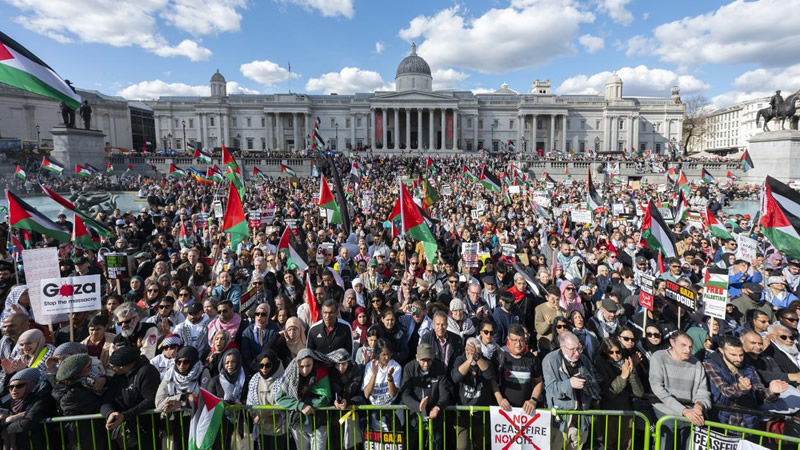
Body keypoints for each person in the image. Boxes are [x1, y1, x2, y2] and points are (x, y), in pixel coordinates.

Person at [703, 335, 786, 428]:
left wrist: (772, 391)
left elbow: (761, 395)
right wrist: (739, 388)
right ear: (721, 350)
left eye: (741, 355)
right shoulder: (710, 365)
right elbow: (725, 391)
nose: (739, 359)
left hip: (749, 424)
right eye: (733, 355)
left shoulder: (749, 369)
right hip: (721, 423)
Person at [649, 331, 712, 450]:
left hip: (691, 415)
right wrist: (683, 410)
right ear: (672, 343)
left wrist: (699, 406)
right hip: (665, 412)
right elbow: (658, 388)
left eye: (690, 347)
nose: (688, 350)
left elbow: (703, 390)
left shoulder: (697, 363)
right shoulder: (659, 357)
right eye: (683, 345)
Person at [542, 331, 600, 450]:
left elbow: (595, 387)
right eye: (572, 350)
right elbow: (551, 389)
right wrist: (570, 384)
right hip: (560, 422)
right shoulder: (551, 360)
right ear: (562, 347)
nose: (577, 353)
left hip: (581, 421)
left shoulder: (584, 359)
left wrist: (587, 387)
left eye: (579, 348)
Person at [100, 346, 161, 450]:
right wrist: (109, 413)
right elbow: (106, 400)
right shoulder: (117, 377)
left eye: (112, 367)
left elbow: (151, 399)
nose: (111, 369)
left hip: (146, 430)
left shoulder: (147, 371)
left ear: (122, 366)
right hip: (126, 433)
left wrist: (126, 415)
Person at [276, 349, 335, 450]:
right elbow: (280, 398)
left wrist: (305, 403)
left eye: (308, 366)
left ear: (313, 363)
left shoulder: (320, 372)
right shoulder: (291, 373)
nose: (305, 370)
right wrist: (300, 406)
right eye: (301, 366)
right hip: (298, 422)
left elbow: (325, 398)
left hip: (318, 422)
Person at [594, 337, 645, 450]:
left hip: (626, 411)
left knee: (626, 445)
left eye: (618, 352)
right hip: (607, 412)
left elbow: (639, 392)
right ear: (604, 353)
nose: (615, 355)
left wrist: (632, 372)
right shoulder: (599, 364)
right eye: (611, 352)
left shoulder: (626, 363)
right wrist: (623, 376)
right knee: (607, 445)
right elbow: (609, 392)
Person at [156, 346, 210, 449]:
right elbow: (159, 402)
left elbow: (205, 399)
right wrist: (183, 398)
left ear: (193, 362)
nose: (181, 365)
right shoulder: (170, 374)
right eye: (178, 362)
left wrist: (182, 403)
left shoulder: (202, 372)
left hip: (196, 422)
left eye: (186, 362)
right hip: (174, 423)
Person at [401, 343, 452, 450]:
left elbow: (445, 394)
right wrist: (418, 406)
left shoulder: (440, 368)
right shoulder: (409, 368)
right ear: (417, 357)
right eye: (423, 360)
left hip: (435, 419)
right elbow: (405, 394)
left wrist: (437, 407)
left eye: (429, 360)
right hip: (414, 419)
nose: (426, 364)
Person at [52, 354, 107, 450]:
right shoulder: (73, 393)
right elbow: (98, 404)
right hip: (85, 438)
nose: (91, 368)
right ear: (77, 372)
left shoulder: (84, 384)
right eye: (88, 366)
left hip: (93, 435)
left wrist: (104, 379)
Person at [452, 336, 495, 450]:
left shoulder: (485, 360)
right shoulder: (460, 360)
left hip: (481, 414)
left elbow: (489, 374)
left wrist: (477, 358)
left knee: (480, 445)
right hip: (463, 414)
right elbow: (456, 377)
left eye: (475, 351)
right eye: (469, 351)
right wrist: (469, 360)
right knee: (462, 446)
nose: (472, 354)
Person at [0, 368, 57, 448]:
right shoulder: (8, 403)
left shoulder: (41, 398)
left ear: (30, 384)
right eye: (10, 387)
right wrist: (8, 420)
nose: (14, 390)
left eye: (19, 385)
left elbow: (28, 421)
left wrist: (5, 426)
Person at [207, 349, 248, 449]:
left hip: (239, 421)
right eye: (227, 362)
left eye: (233, 362)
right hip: (220, 422)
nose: (230, 365)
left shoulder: (245, 379)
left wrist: (242, 404)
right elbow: (208, 400)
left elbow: (249, 397)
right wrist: (218, 402)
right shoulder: (215, 381)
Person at [247, 348, 288, 450]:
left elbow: (284, 402)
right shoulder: (254, 380)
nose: (264, 369)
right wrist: (256, 414)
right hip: (261, 428)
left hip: (279, 428)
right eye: (261, 366)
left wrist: (265, 414)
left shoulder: (283, 379)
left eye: (268, 365)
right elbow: (250, 402)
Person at [361, 338, 402, 430]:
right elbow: (366, 394)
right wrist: (374, 375)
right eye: (383, 355)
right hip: (375, 415)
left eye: (389, 354)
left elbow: (392, 394)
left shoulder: (396, 367)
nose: (386, 357)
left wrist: (389, 378)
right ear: (378, 354)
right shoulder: (370, 366)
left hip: (392, 414)